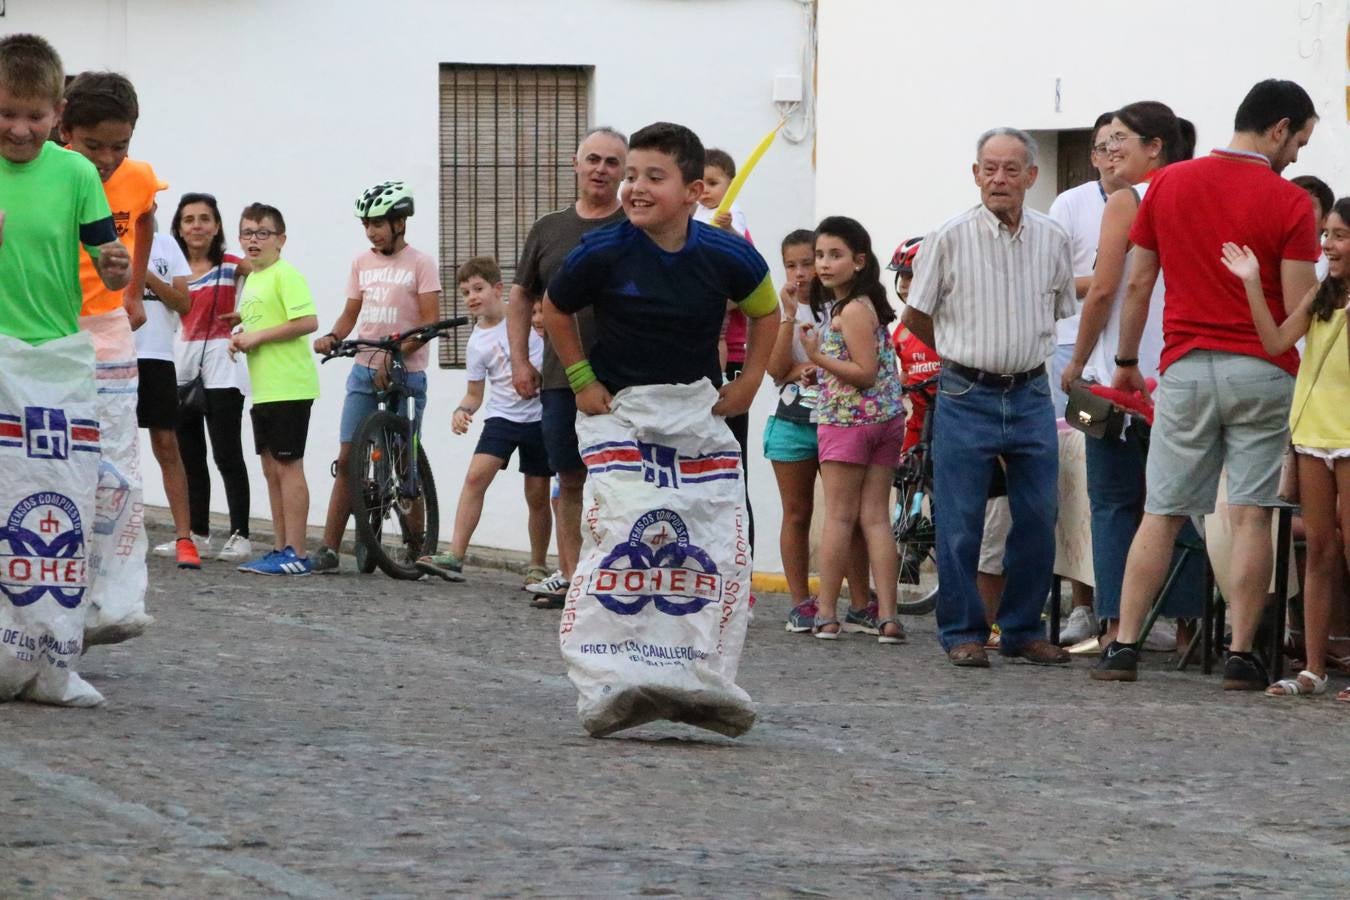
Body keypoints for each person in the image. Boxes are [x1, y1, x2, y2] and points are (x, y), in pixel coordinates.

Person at [1092, 80, 1321, 688]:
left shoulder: (1168, 182)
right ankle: (1242, 653)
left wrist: (1124, 360)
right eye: (1298, 139)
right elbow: (1297, 311)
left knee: (1161, 511)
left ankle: (1125, 644)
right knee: (1250, 515)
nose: (1297, 153)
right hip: (1262, 372)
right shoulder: (1291, 203)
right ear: (1277, 128)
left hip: (1187, 366)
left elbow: (1138, 283)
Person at [903, 127, 1075, 668]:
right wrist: (960, 354)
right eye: (988, 168)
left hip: (1028, 392)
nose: (998, 178)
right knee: (960, 520)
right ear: (974, 173)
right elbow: (915, 315)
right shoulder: (949, 237)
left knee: (1037, 514)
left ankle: (1022, 629)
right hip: (965, 390)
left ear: (1031, 175)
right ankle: (962, 632)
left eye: (1010, 169)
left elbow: (1058, 309)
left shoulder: (1052, 238)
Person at [1059, 102, 1204, 655]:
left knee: (1115, 500)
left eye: (1121, 138)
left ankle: (1120, 624)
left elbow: (1105, 289)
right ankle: (1190, 623)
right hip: (1179, 372)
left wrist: (1081, 358)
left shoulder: (1128, 200)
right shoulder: (1195, 195)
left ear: (1155, 146)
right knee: (1180, 503)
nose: (1109, 148)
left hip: (1121, 377)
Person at [542, 119, 777, 442]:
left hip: (698, 412)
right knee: (628, 496)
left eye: (654, 178)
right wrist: (582, 380)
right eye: (630, 176)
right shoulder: (600, 251)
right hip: (619, 412)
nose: (637, 187)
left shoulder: (729, 253)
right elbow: (554, 307)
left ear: (692, 192)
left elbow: (766, 311)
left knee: (711, 496)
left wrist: (750, 380)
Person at [1218, 197, 1350, 699]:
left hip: (1347, 438)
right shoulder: (1320, 294)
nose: (1327, 245)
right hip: (1314, 436)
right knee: (1319, 550)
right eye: (1326, 235)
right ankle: (1314, 668)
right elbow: (1274, 341)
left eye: (1339, 236)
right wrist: (1253, 282)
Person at [507, 127, 627, 607]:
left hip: (625, 379)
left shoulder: (635, 227)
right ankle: (575, 579)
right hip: (560, 379)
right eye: (593, 159)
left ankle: (619, 577)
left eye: (612, 162)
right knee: (570, 478)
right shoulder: (548, 229)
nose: (601, 169)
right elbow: (520, 295)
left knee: (623, 482)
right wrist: (520, 359)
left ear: (624, 172)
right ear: (576, 165)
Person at [311, 181, 439, 574]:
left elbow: (429, 321)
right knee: (348, 457)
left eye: (379, 223)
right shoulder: (361, 263)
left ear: (400, 222)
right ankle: (329, 547)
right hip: (364, 369)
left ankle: (418, 550)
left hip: (405, 372)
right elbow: (351, 315)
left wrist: (398, 353)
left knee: (404, 463)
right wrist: (334, 336)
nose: (372, 231)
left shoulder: (420, 263)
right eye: (367, 224)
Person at [799, 216, 905, 644]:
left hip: (850, 423)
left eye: (835, 255)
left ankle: (826, 613)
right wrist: (819, 372)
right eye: (820, 255)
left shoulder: (852, 311)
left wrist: (817, 357)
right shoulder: (859, 308)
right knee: (875, 519)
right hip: (883, 420)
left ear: (859, 261)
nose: (824, 264)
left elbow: (862, 373)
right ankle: (889, 618)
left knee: (841, 518)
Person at [416, 257, 552, 582]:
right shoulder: (476, 342)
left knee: (537, 492)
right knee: (476, 477)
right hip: (502, 417)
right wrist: (462, 411)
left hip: (539, 418)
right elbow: (475, 394)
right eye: (465, 292)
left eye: (478, 289)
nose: (472, 297)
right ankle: (455, 556)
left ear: (498, 289)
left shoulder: (530, 321)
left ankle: (537, 564)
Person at [767, 229, 875, 634]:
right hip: (792, 422)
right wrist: (788, 316)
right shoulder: (787, 310)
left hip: (840, 422)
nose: (801, 273)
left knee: (849, 515)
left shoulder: (843, 308)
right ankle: (800, 603)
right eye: (791, 265)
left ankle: (860, 601)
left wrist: (817, 366)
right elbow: (777, 370)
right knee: (797, 513)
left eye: (807, 262)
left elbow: (850, 361)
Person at [1046, 112, 1125, 645]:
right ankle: (1081, 601)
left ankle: (1141, 606)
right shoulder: (1071, 203)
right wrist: (1107, 276)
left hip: (1131, 353)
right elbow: (1052, 280)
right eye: (1104, 146)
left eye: (1122, 144)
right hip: (1074, 349)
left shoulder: (1159, 199)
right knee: (1078, 478)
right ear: (1092, 155)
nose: (1112, 154)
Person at [0, 34, 129, 341]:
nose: (20, 130)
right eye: (6, 114)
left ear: (58, 112)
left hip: (55, 349)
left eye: (35, 116)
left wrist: (118, 271)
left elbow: (111, 275)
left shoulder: (77, 172)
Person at [229, 203, 320, 576]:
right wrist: (240, 335)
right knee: (270, 468)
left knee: (288, 466)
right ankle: (280, 546)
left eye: (263, 233)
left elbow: (308, 321)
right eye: (248, 232)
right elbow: (260, 324)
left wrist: (258, 336)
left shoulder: (286, 274)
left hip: (289, 385)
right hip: (263, 388)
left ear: (280, 240)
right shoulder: (253, 278)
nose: (254, 240)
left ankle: (297, 551)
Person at [167, 192, 253, 563]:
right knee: (190, 457)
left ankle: (240, 534)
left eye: (205, 218)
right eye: (189, 219)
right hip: (181, 368)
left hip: (224, 368)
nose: (197, 226)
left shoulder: (233, 265)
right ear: (179, 228)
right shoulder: (174, 271)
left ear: (217, 226)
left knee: (227, 453)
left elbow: (266, 271)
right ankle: (197, 532)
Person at [695, 148, 756, 557]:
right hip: (690, 355)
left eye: (714, 184)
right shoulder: (687, 224)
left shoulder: (734, 227)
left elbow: (747, 286)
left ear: (731, 185)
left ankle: (739, 567)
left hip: (730, 362)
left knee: (731, 468)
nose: (705, 193)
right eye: (699, 184)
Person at [135, 215, 199, 568]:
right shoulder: (98, 235)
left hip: (156, 355)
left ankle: (184, 538)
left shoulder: (166, 245)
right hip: (113, 352)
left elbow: (183, 302)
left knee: (166, 444)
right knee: (109, 446)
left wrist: (144, 272)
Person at [1291, 174, 1334, 280]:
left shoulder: (1336, 271)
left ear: (1326, 219)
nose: (1299, 212)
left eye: (1307, 205)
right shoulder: (1263, 265)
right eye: (1291, 204)